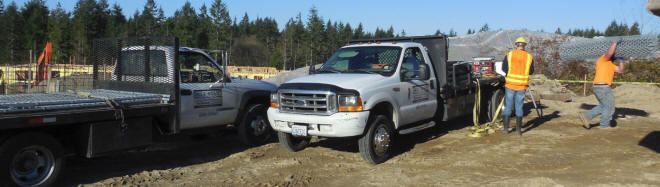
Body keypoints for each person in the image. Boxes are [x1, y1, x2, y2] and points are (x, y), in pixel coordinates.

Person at [579, 41, 624, 129]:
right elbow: (609, 53)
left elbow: (620, 71)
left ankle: (586, 116)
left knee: (604, 106)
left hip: (600, 87)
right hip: (602, 87)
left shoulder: (611, 65)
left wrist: (621, 61)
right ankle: (604, 126)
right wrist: (615, 43)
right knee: (609, 107)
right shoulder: (603, 59)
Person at [501, 37, 534, 135]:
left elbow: (504, 68)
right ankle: (519, 130)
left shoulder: (509, 55)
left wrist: (510, 73)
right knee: (519, 107)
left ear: (516, 45)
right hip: (521, 86)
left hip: (510, 84)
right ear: (524, 46)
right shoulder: (529, 57)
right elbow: (531, 71)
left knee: (508, 107)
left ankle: (506, 129)